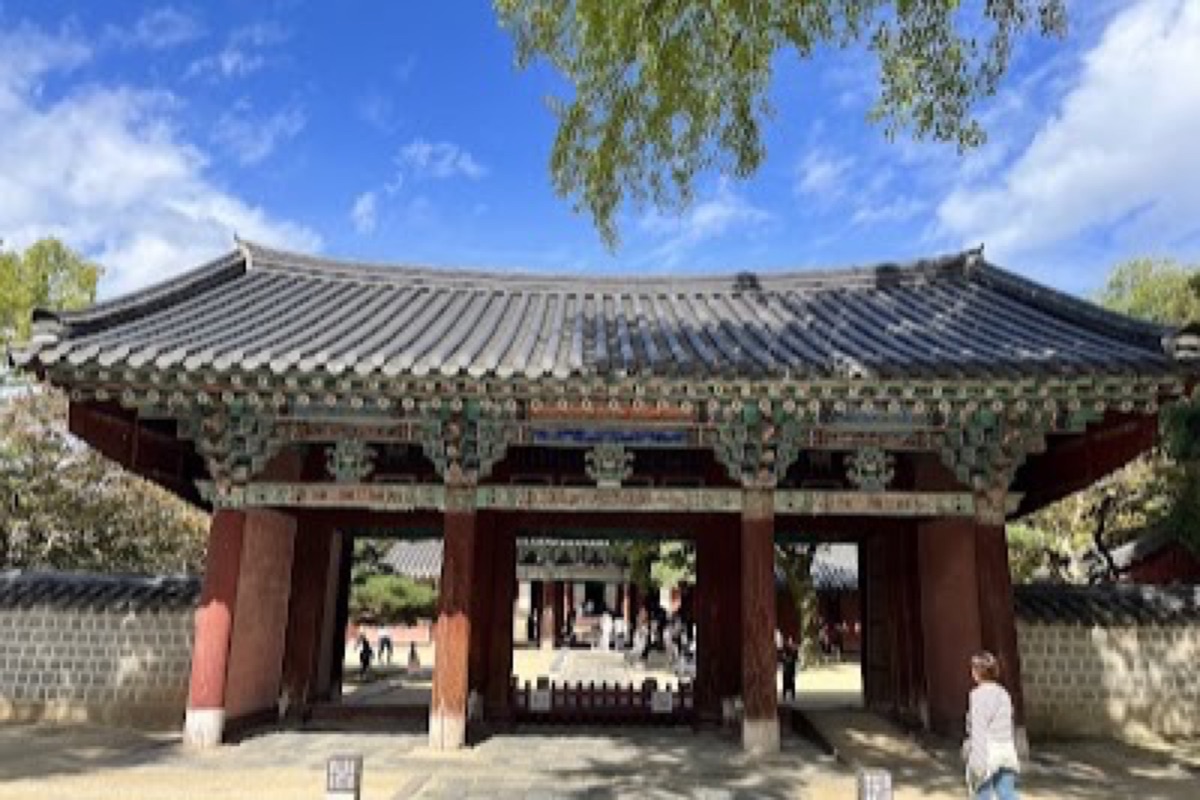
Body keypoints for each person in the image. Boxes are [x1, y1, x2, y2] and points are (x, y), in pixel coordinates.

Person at [963, 651, 1020, 799]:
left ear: (977, 672)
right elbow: (1010, 723)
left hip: (987, 751)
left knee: (982, 794)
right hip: (1006, 749)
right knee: (1007, 794)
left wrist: (977, 762)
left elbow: (979, 729)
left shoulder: (978, 695)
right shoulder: (1004, 693)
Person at [780, 635, 800, 702]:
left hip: (791, 668)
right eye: (789, 641)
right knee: (785, 682)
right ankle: (784, 696)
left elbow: (796, 658)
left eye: (791, 641)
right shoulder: (785, 649)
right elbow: (783, 657)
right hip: (786, 668)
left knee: (792, 682)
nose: (790, 642)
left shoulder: (794, 650)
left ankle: (792, 696)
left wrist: (795, 650)